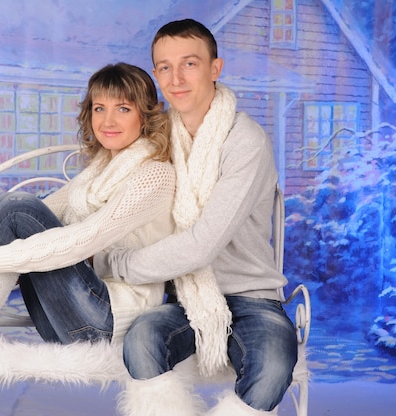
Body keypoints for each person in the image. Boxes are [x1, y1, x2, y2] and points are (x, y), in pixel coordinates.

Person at [95, 20, 298, 416]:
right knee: (141, 341)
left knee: (273, 364)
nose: (176, 78)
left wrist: (113, 263)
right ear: (156, 74)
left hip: (252, 297)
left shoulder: (245, 140)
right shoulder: (154, 137)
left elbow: (202, 244)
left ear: (215, 69)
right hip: (182, 295)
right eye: (164, 67)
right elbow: (93, 192)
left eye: (189, 63)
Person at [0, 62, 177, 347]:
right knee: (15, 207)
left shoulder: (154, 174)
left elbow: (86, 237)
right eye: (99, 108)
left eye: (123, 109)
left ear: (146, 115)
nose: (108, 121)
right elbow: (49, 207)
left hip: (106, 325)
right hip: (64, 315)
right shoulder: (102, 168)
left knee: (18, 207)